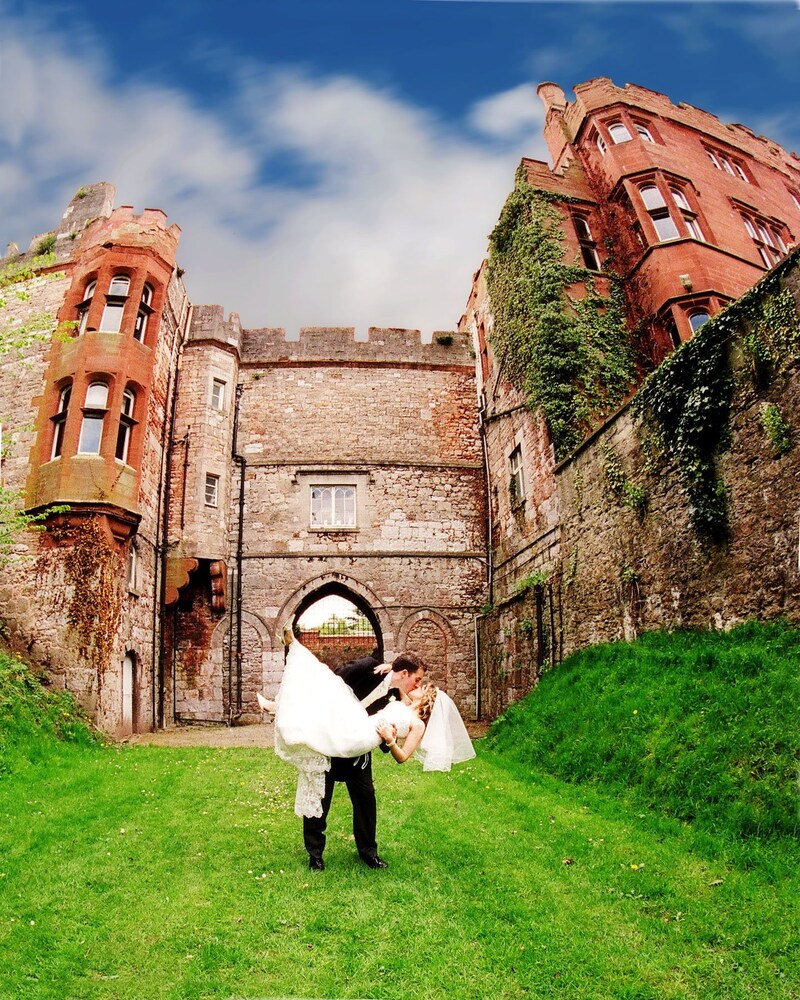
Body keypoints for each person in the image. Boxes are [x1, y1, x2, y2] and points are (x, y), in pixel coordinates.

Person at [272, 624, 473, 871]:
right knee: (319, 798)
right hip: (331, 740)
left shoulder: (400, 697)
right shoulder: (369, 667)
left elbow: (400, 722)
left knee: (366, 801)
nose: (417, 684)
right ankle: (315, 855)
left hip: (359, 751)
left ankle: (368, 852)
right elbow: (334, 682)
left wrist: (389, 739)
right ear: (404, 673)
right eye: (416, 679)